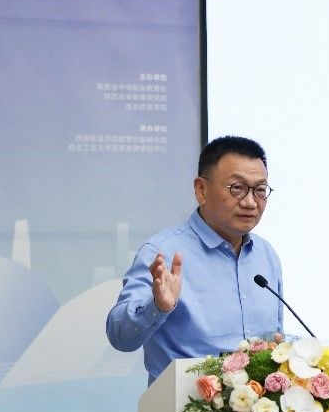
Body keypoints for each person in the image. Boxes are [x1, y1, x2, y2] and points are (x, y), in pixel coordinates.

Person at [107, 135, 284, 382]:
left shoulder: (266, 256)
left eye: (260, 190)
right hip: (184, 405)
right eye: (237, 188)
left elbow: (276, 339)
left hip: (254, 405)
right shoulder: (162, 253)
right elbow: (120, 337)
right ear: (201, 190)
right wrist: (157, 307)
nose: (250, 202)